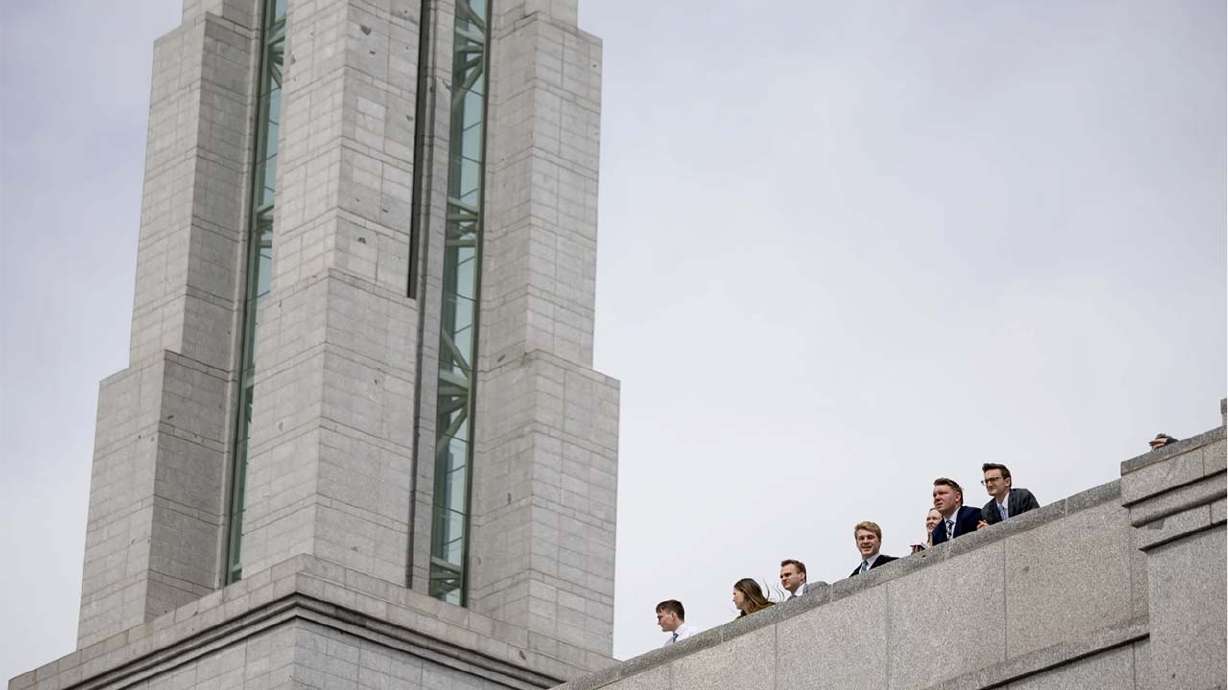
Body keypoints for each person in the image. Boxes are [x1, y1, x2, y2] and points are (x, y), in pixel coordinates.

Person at [976, 463, 1040, 528]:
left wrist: (994, 529)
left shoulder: (1023, 497)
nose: (989, 485)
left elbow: (1033, 522)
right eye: (986, 481)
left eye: (993, 480)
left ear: (1007, 482)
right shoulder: (986, 510)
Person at [930, 477, 980, 545]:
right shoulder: (936, 533)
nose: (937, 498)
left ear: (957, 497)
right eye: (934, 495)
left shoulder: (973, 515)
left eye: (942, 493)